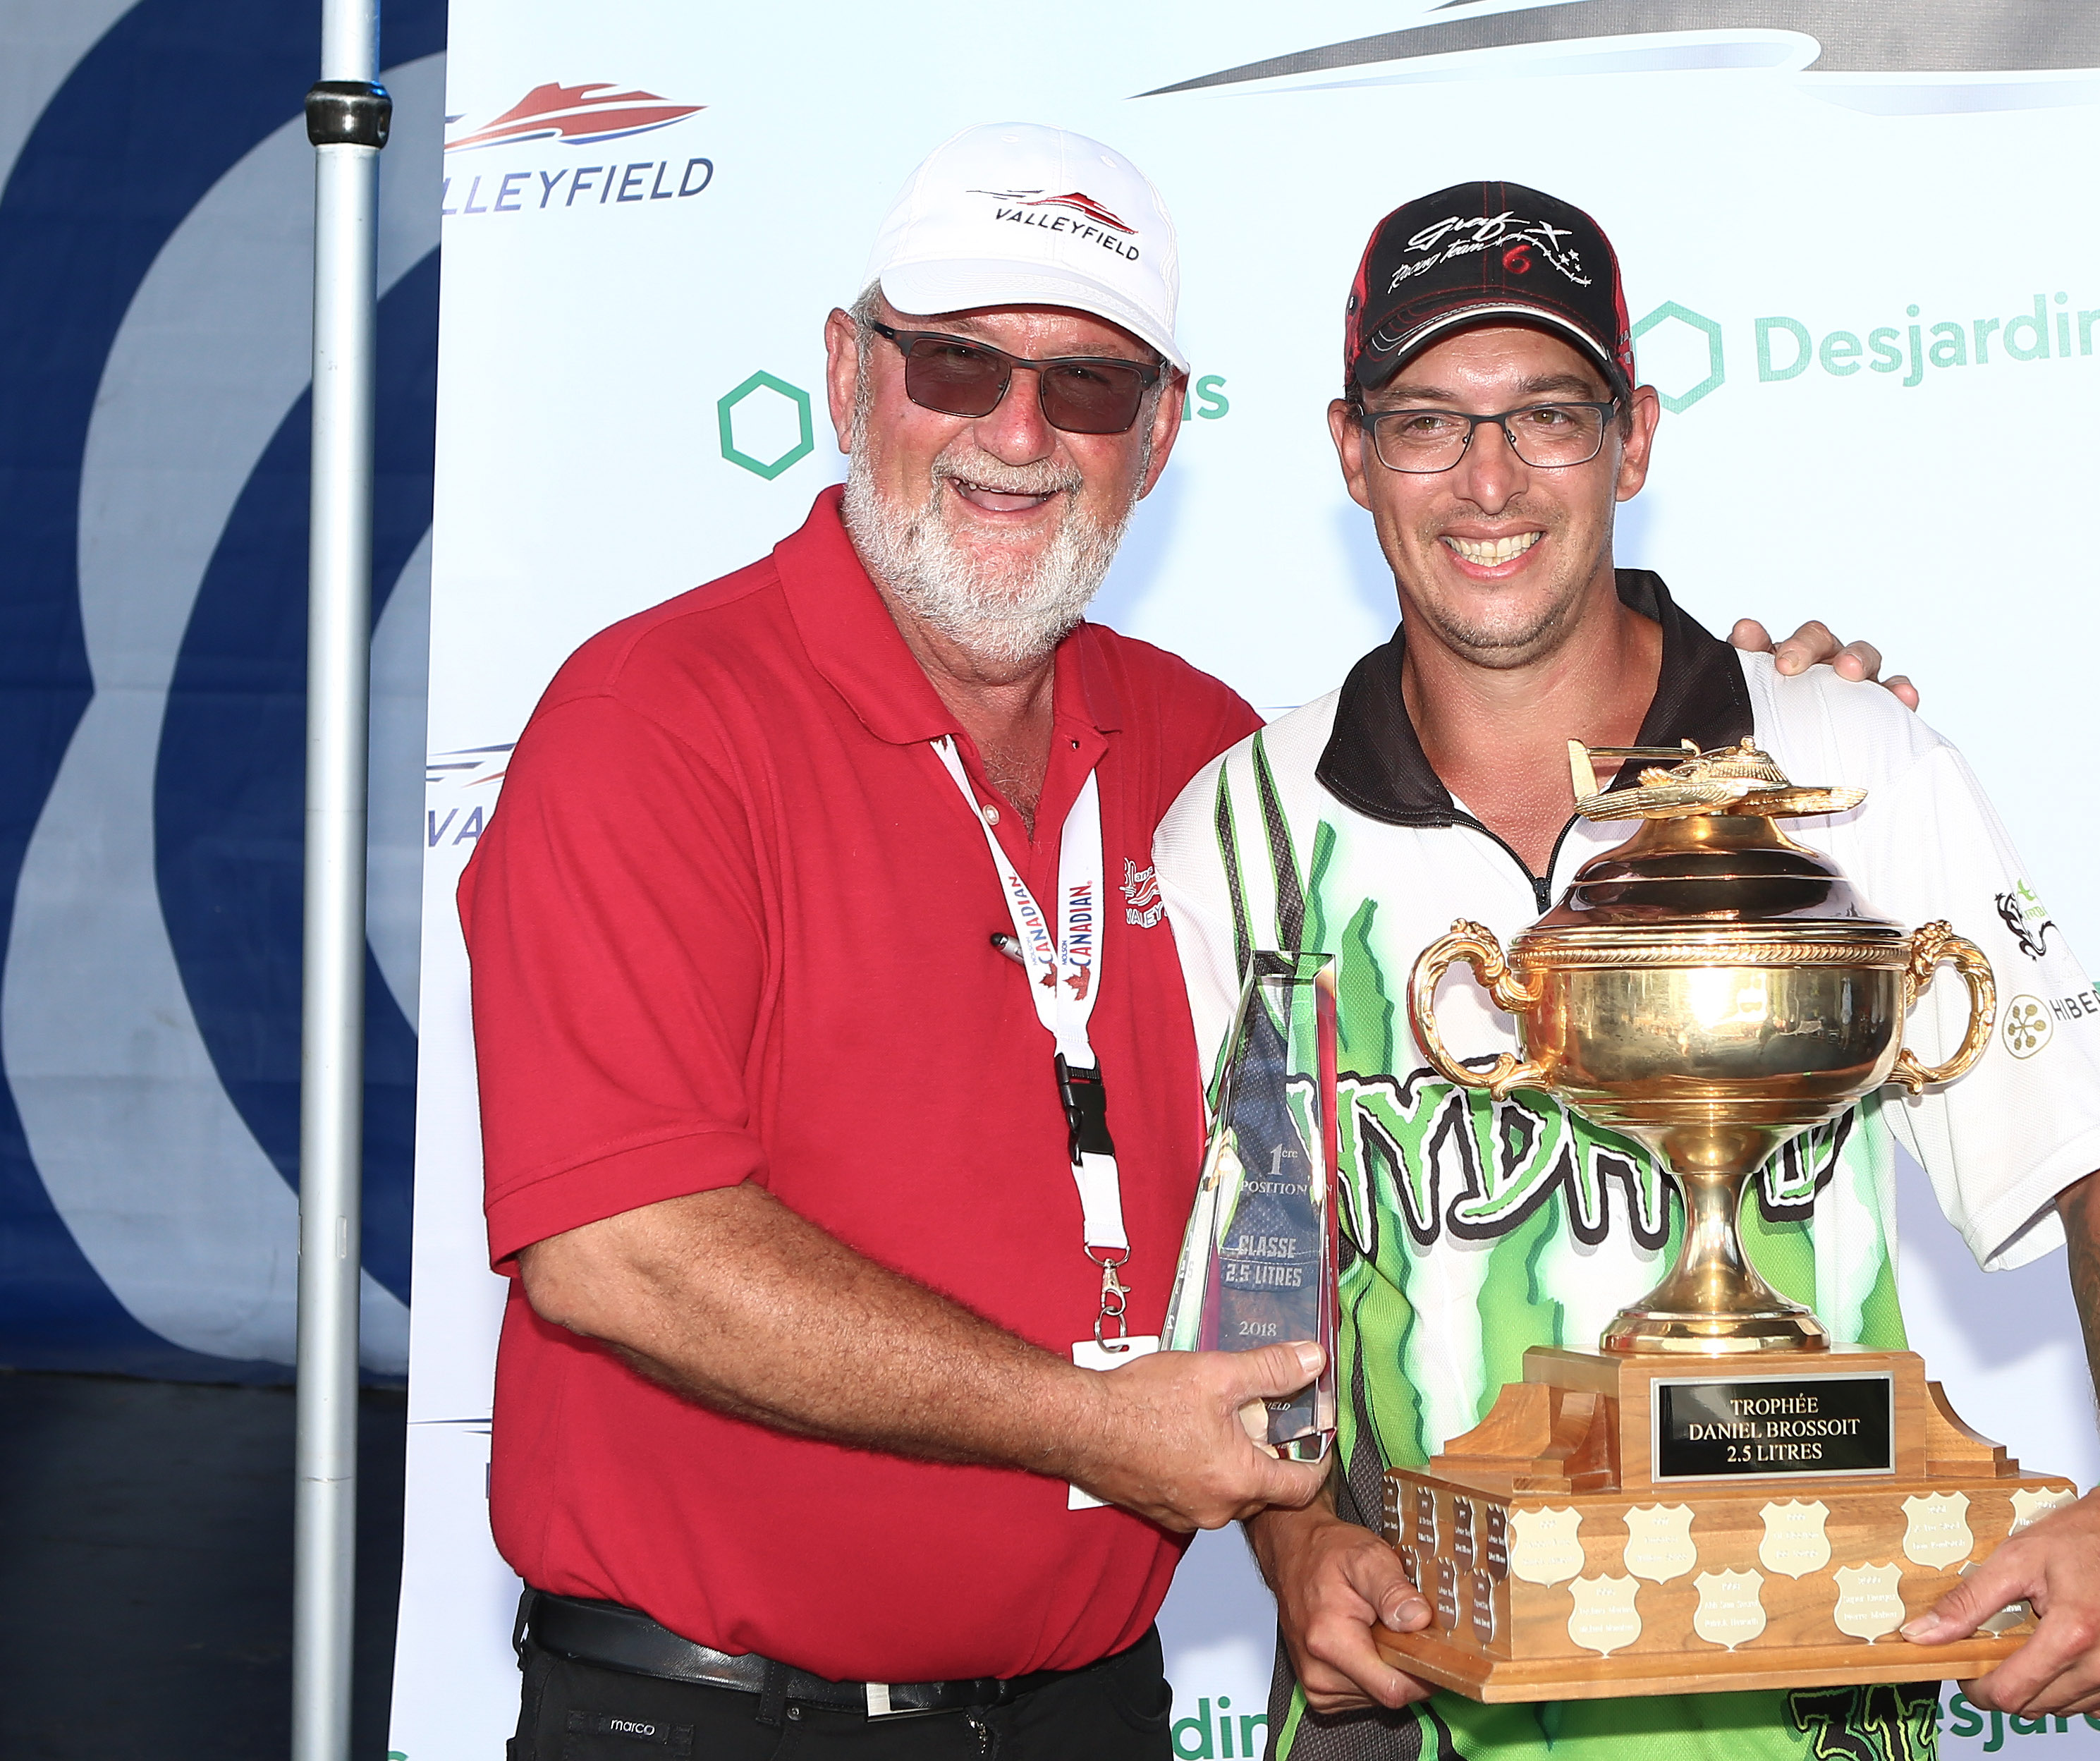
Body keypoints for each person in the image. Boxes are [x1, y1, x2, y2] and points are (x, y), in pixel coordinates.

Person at [460, 128, 1896, 1759]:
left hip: (1093, 1709)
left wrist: (1755, 728)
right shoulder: (656, 721)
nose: (1016, 434)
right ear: (851, 376)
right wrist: (1081, 1420)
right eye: (956, 365)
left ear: (1157, 438)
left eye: (1084, 389)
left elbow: (1321, 1206)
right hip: (712, 1716)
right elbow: (620, 1246)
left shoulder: (1210, 765)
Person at [1155, 181, 2100, 1761]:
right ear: (1348, 451)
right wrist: (1293, 1546)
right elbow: (1243, 1318)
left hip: (1812, 1705)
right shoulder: (1235, 834)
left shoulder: (1844, 760)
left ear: (1634, 439)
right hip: (1416, 1716)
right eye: (1429, 423)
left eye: (1549, 417)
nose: (1489, 480)